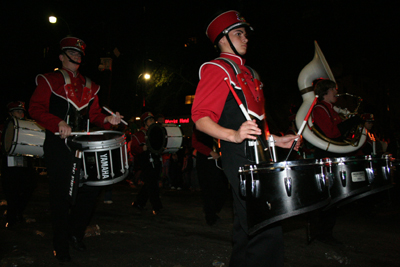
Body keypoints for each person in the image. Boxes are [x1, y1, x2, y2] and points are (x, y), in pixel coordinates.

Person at [191, 10, 299, 266]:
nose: (245, 38)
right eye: (238, 33)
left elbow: (254, 125)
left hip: (256, 152)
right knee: (267, 222)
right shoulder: (217, 69)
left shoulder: (247, 72)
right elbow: (200, 118)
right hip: (237, 153)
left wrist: (276, 140)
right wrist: (233, 135)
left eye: (245, 34)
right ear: (222, 39)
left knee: (247, 223)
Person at [29, 37, 123, 263]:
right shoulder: (49, 80)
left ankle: (74, 233)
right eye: (72, 52)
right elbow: (35, 108)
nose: (77, 56)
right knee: (61, 197)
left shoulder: (90, 85)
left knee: (91, 192)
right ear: (62, 57)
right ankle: (60, 246)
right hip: (58, 145)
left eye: (79, 53)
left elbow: (95, 116)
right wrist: (57, 122)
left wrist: (108, 119)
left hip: (85, 146)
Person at [1, 101, 36, 229]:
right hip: (9, 165)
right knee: (11, 192)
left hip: (25, 163)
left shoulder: (28, 126)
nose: (21, 114)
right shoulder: (4, 127)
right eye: (18, 111)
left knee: (29, 187)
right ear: (10, 114)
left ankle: (18, 212)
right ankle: (12, 218)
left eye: (22, 112)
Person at [192, 126, 228, 226]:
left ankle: (213, 211)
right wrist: (210, 152)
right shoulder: (199, 126)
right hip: (204, 160)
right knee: (207, 190)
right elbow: (195, 143)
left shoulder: (216, 124)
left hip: (216, 161)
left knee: (221, 189)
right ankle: (210, 216)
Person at [131, 112, 163, 214]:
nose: (152, 122)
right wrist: (142, 148)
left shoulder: (156, 132)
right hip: (145, 161)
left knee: (149, 183)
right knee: (152, 184)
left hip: (155, 159)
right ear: (145, 123)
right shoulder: (139, 135)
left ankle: (139, 202)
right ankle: (157, 207)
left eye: (153, 120)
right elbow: (133, 149)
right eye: (150, 120)